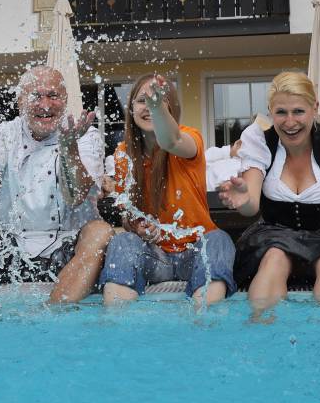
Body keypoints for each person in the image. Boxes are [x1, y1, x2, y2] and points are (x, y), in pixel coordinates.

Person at [0, 67, 112, 305]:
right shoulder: (6, 133)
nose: (45, 104)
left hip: (68, 248)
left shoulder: (85, 135)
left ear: (65, 100)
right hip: (10, 249)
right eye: (36, 95)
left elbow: (75, 195)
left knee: (100, 231)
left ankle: (55, 313)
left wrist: (68, 148)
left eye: (53, 95)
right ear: (20, 101)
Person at [218, 71, 320, 316]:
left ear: (314, 108)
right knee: (274, 257)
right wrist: (244, 201)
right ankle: (262, 340)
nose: (290, 122)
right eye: (281, 112)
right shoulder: (259, 142)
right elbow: (251, 206)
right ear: (270, 111)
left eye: (298, 112)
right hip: (274, 235)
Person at [100, 73, 235, 305]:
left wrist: (157, 108)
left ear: (171, 108)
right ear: (131, 108)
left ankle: (204, 321)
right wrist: (138, 227)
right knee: (123, 241)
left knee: (219, 239)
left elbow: (171, 141)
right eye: (142, 100)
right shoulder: (123, 154)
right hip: (155, 257)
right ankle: (118, 323)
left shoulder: (190, 137)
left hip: (196, 254)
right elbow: (127, 215)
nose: (149, 106)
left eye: (158, 100)